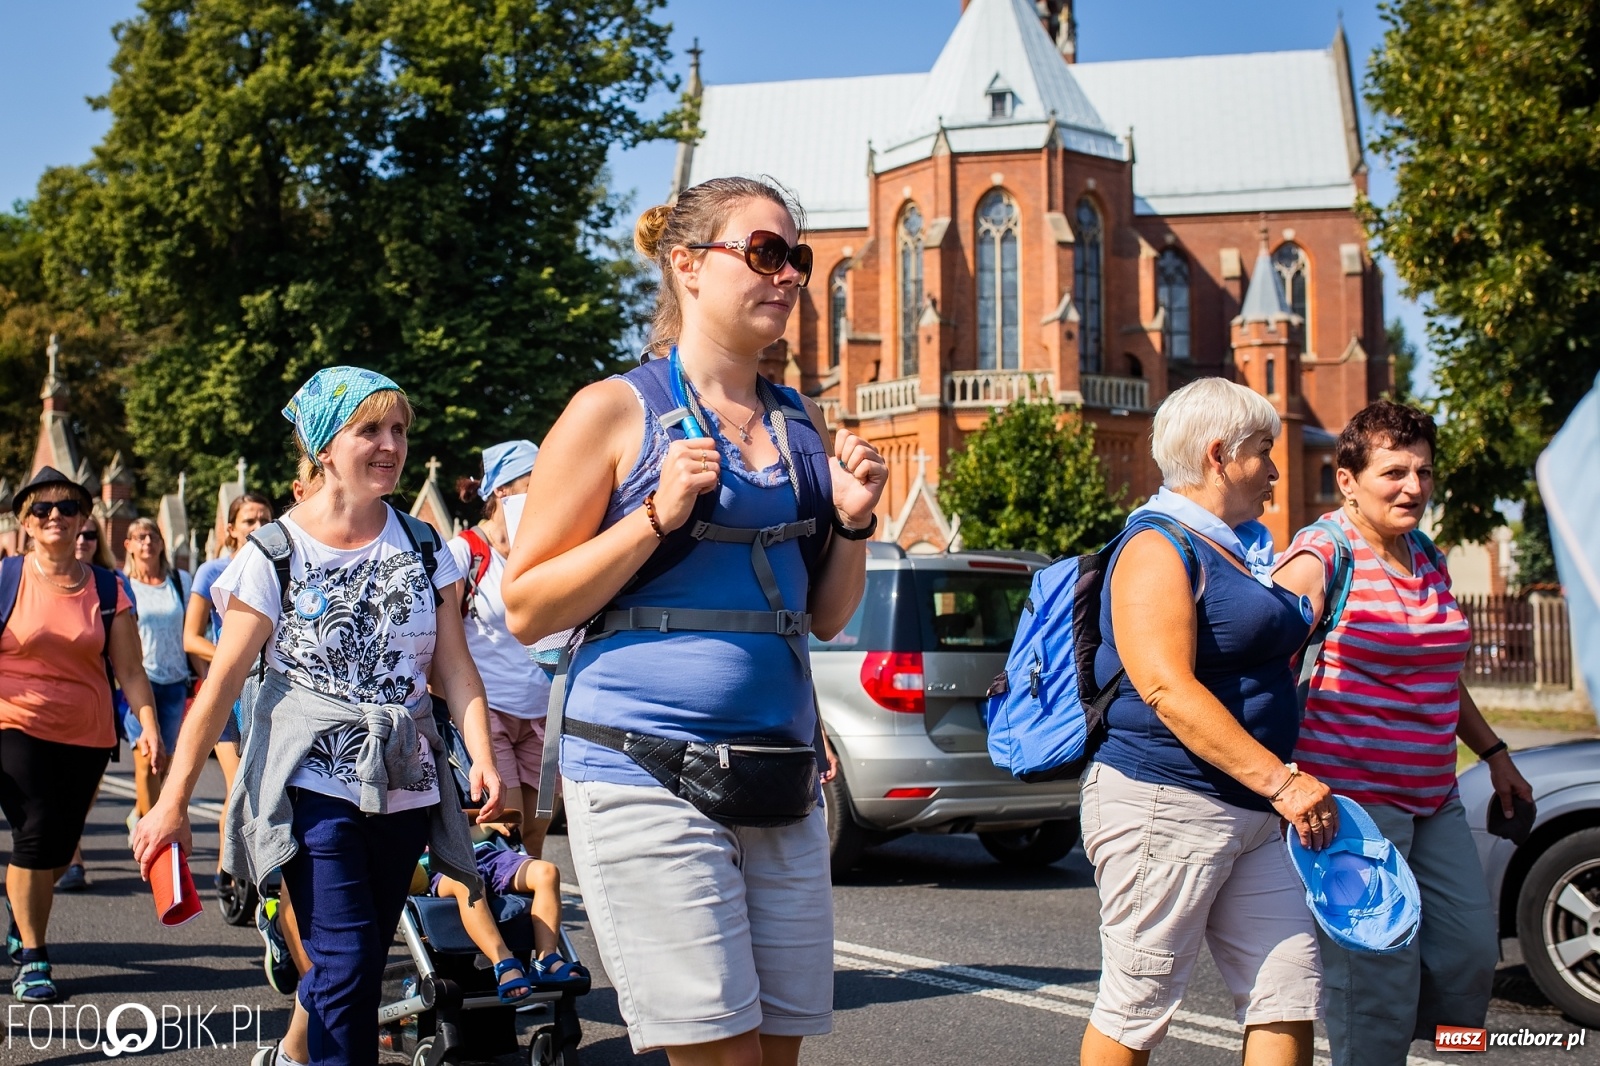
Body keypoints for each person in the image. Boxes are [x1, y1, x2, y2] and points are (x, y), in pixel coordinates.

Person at [503, 177, 884, 1066]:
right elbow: (525, 608)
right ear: (687, 265)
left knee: (778, 1052)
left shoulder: (799, 419)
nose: (788, 274)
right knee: (720, 1055)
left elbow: (826, 617)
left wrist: (857, 521)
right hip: (644, 767)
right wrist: (654, 515)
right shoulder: (611, 410)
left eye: (799, 256)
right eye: (763, 252)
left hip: (780, 773)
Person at [132, 366, 502, 1066]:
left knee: (357, 956)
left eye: (399, 430)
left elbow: (454, 668)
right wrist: (172, 803)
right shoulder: (274, 552)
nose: (390, 445)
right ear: (325, 447)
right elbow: (220, 685)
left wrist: (481, 754)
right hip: (311, 783)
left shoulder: (426, 548)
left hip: (404, 778)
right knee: (344, 963)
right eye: (371, 430)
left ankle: (295, 1055)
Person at [1079, 377, 1337, 1066]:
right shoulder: (1156, 546)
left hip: (1251, 809)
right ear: (1220, 454)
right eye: (1264, 451)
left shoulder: (1230, 546)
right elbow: (1166, 687)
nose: (1277, 470)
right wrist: (1281, 782)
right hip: (1166, 801)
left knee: (1288, 995)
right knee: (1138, 1006)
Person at [1274, 400, 1534, 1066]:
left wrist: (1496, 753)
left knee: (1469, 954)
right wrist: (1281, 778)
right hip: (1352, 807)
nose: (1413, 486)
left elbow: (1442, 672)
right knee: (1376, 986)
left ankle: (1423, 1049)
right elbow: (1258, 659)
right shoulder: (1323, 553)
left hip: (1431, 792)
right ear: (1347, 479)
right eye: (1394, 471)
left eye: (1423, 471)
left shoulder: (1428, 556)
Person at [0, 467, 163, 1002]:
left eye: (66, 508)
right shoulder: (7, 579)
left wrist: (149, 725)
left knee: (55, 847)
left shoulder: (108, 587)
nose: (54, 516)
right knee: (36, 830)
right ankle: (34, 955)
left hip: (88, 736)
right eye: (42, 509)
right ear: (24, 523)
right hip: (14, 725)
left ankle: (20, 914)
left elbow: (131, 670)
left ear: (83, 521)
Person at [450, 441, 554, 855]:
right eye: (536, 484)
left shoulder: (544, 551)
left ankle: (531, 914)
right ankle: (505, 915)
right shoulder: (465, 552)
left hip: (543, 711)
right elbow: (444, 637)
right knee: (503, 830)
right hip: (490, 709)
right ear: (502, 493)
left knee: (537, 832)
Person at [426, 820, 584, 1003]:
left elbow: (458, 832)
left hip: (486, 855)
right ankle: (504, 964)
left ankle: (546, 959)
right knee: (470, 883)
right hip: (441, 865)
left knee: (547, 872)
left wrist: (486, 827)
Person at [55, 517, 124, 893]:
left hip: (99, 699)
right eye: (77, 533)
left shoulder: (112, 585)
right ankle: (71, 857)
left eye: (90, 534)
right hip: (46, 707)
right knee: (54, 791)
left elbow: (128, 654)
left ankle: (65, 841)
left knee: (86, 788)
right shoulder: (40, 577)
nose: (82, 539)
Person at [122, 517, 194, 822]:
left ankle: (140, 812)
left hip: (176, 681)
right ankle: (149, 837)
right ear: (128, 546)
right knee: (146, 760)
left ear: (162, 543)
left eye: (152, 536)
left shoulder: (180, 581)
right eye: (140, 537)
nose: (147, 542)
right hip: (142, 682)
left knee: (164, 762)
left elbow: (192, 630)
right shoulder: (124, 584)